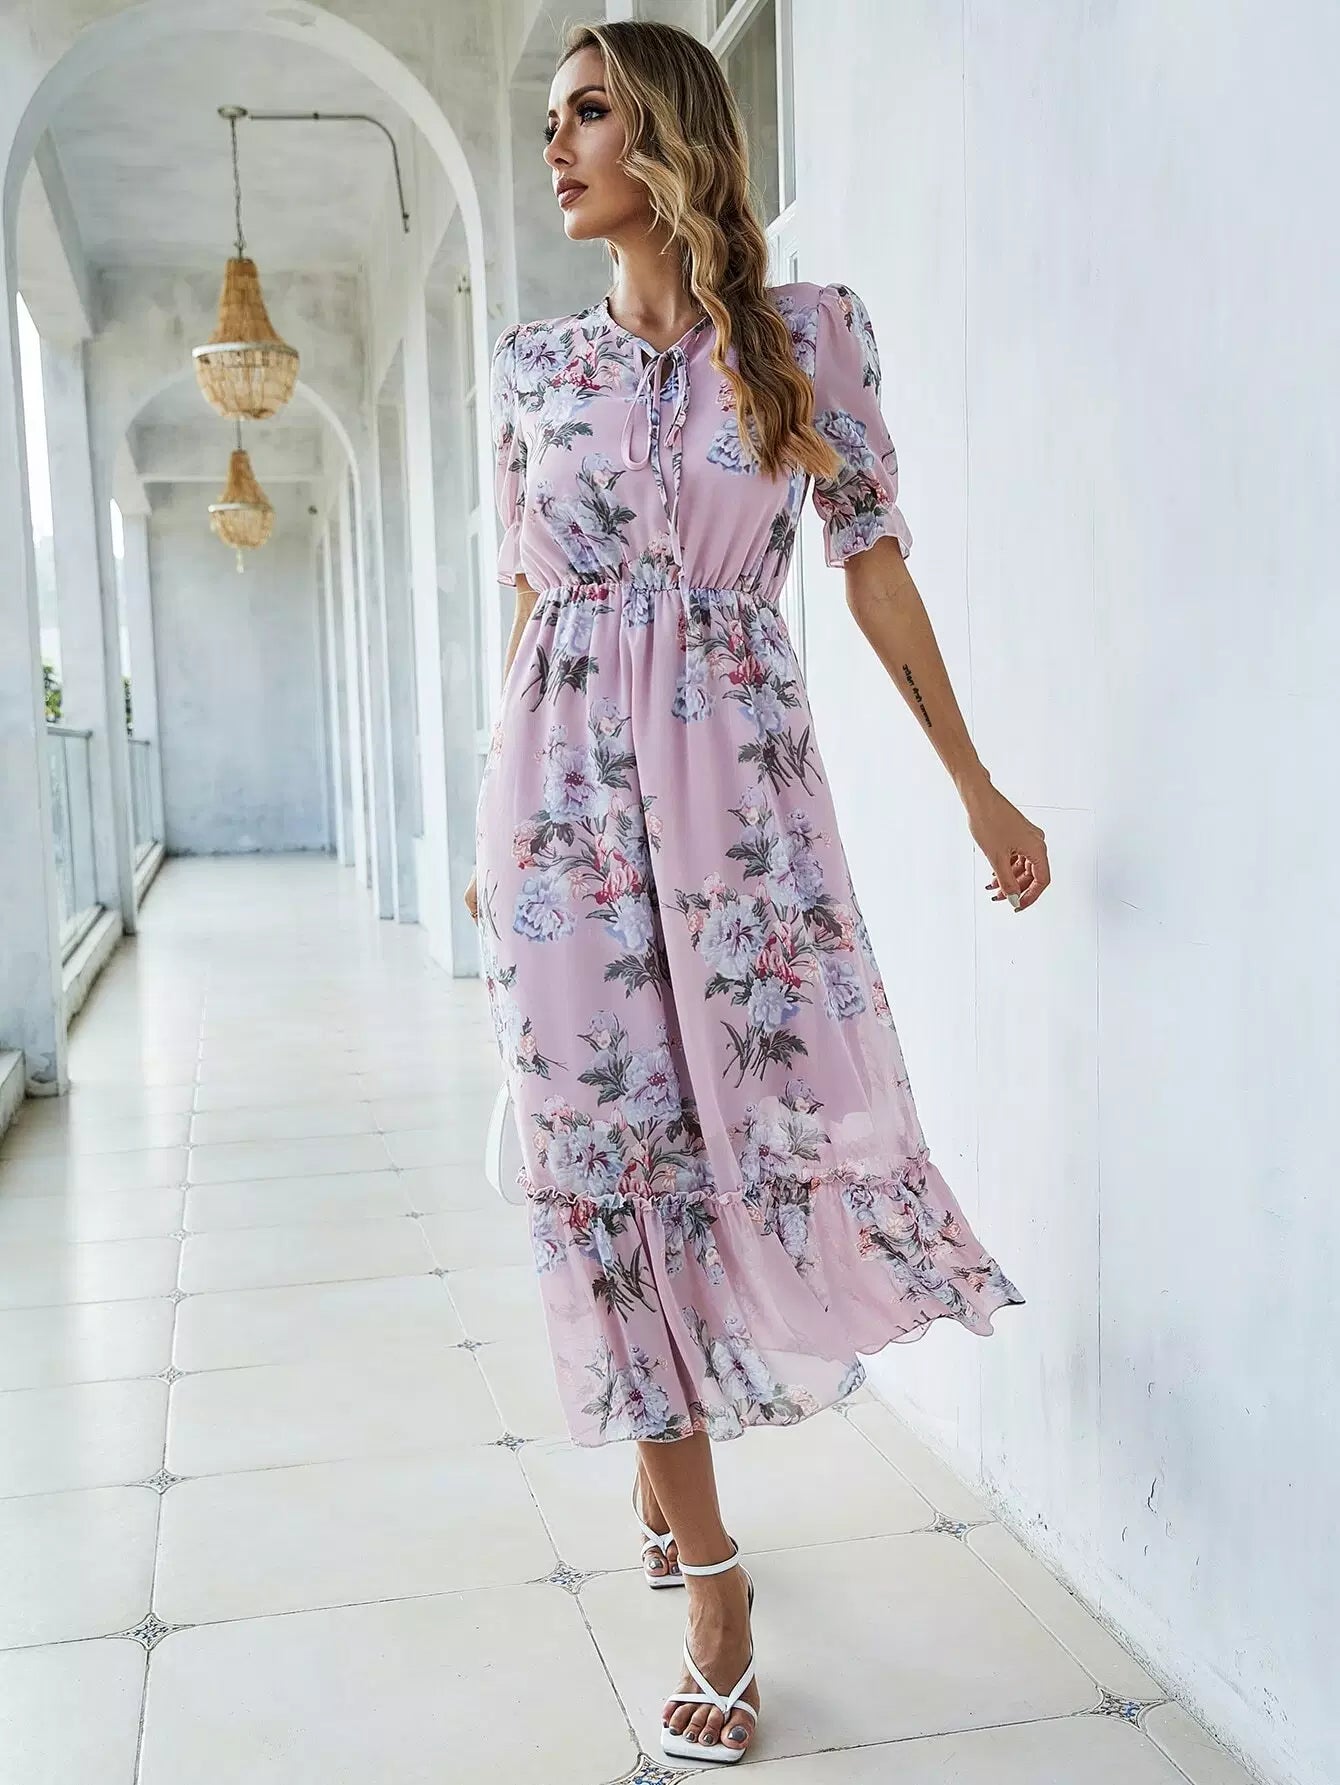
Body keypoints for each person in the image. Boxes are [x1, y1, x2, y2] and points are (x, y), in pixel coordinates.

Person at [464, 16, 1042, 1766]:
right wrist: (498, 832)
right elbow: (527, 609)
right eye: (550, 117)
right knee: (606, 1158)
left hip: (741, 812)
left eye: (588, 113)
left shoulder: (806, 342)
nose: (557, 145)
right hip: (564, 815)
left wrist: (975, 782)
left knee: (749, 1137)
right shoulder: (531, 369)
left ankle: (679, 1467)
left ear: (670, 135)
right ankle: (711, 1578)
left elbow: (871, 568)